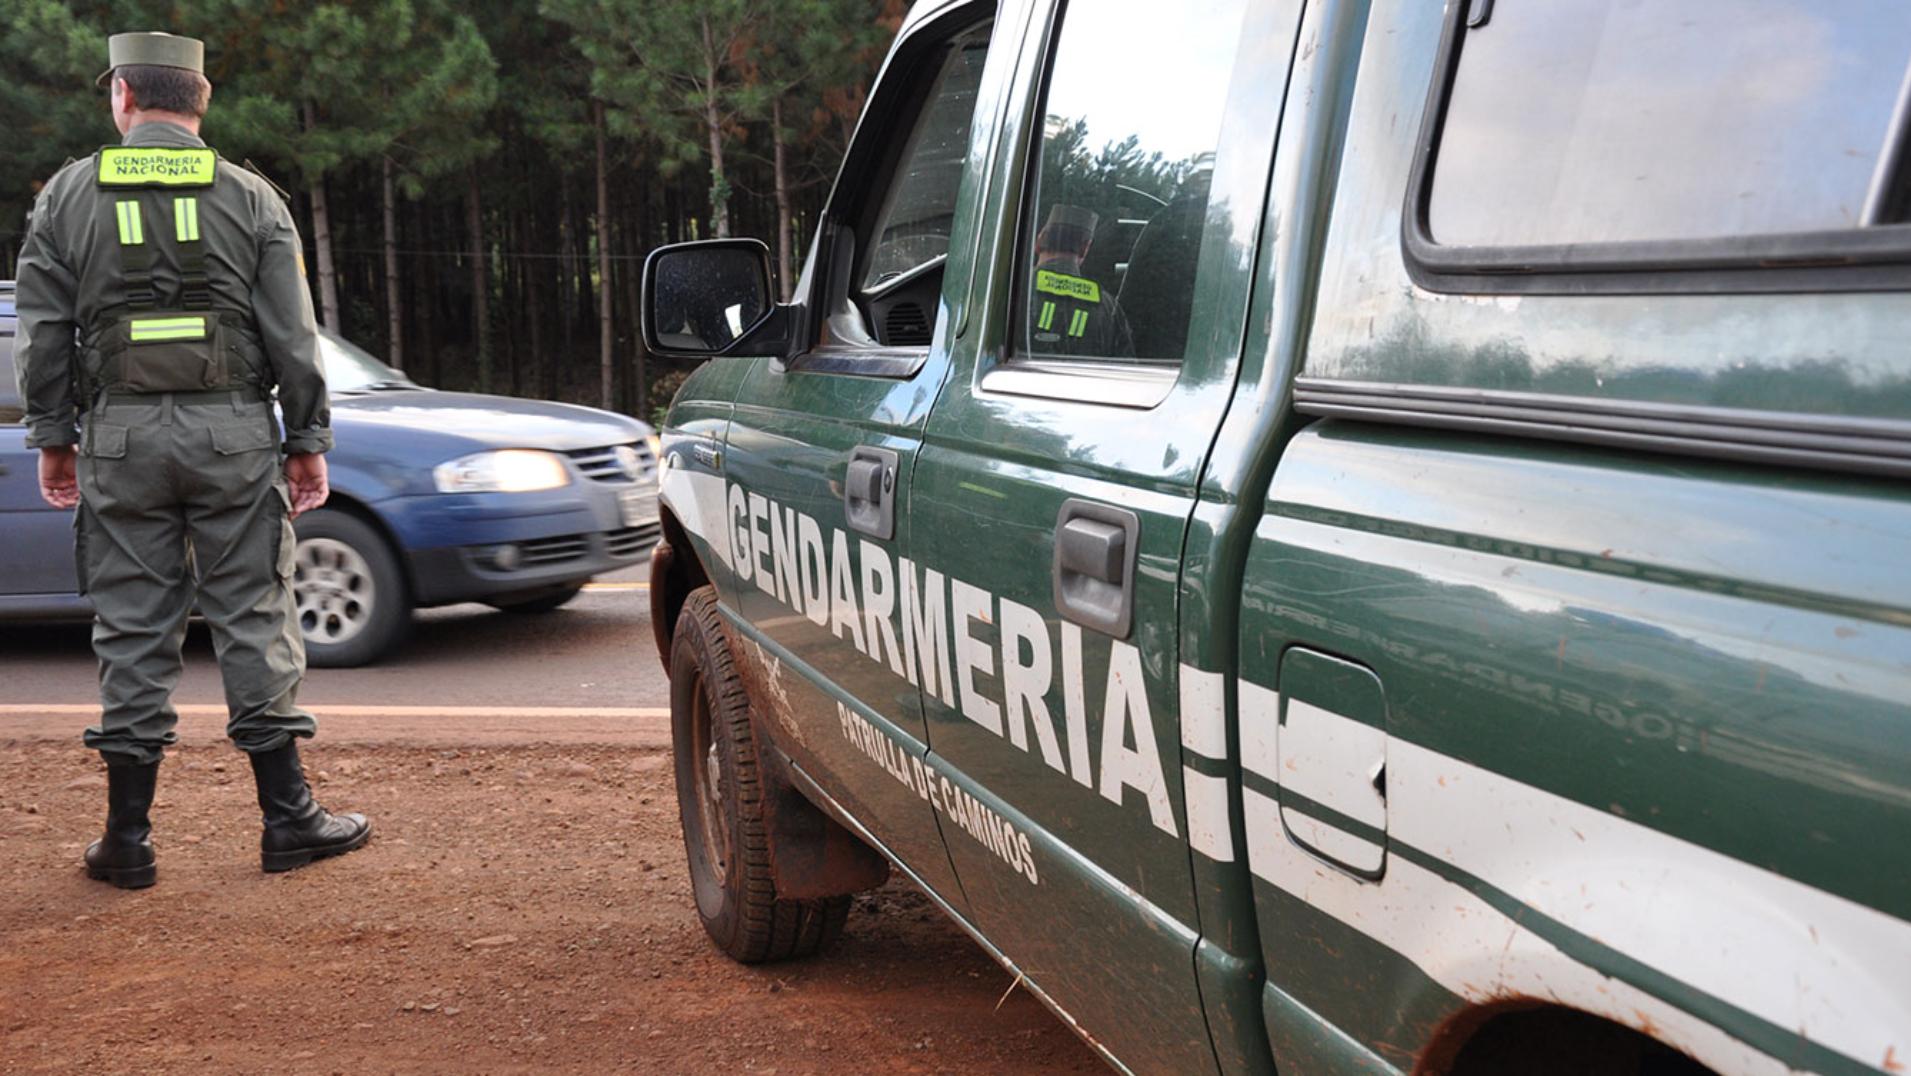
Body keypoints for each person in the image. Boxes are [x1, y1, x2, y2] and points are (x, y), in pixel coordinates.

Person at [14, 31, 371, 888]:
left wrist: (54, 441)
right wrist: (307, 441)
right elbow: (294, 336)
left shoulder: (67, 195)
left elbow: (44, 337)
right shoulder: (251, 197)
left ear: (124, 100)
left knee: (133, 626)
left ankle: (128, 842)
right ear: (198, 103)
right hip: (235, 438)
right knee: (252, 613)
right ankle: (289, 821)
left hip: (121, 440)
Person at [1028, 203, 1134, 359]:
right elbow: (1126, 371)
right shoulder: (1108, 307)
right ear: (1085, 248)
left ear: (1039, 241)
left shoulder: (1012, 289)